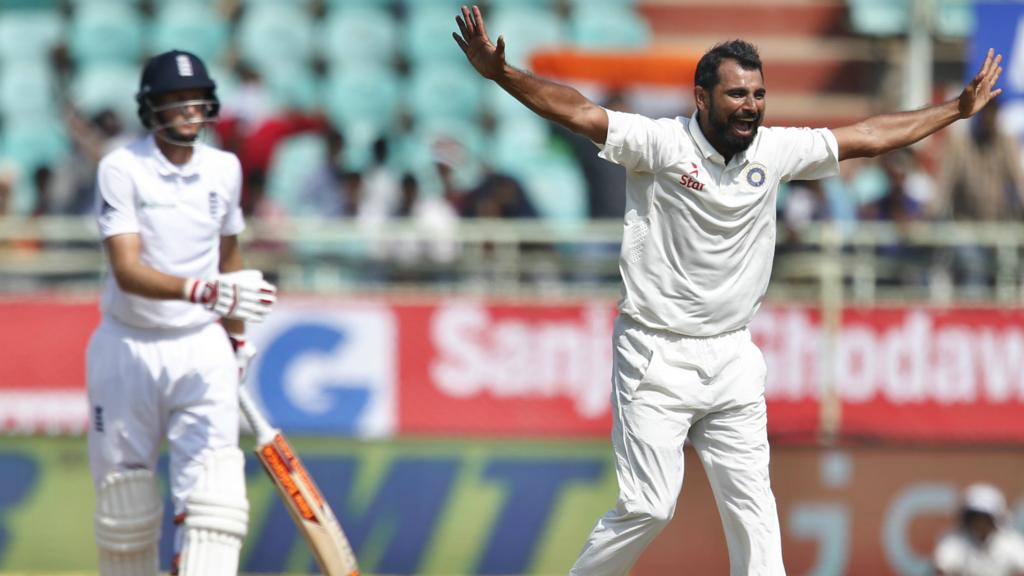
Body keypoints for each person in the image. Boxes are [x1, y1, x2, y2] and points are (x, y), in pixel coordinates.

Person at [452, 5, 1004, 574]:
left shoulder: (772, 151)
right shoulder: (661, 144)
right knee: (649, 505)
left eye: (759, 94)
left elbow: (865, 136)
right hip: (655, 352)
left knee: (754, 513)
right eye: (737, 94)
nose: (751, 106)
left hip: (733, 356)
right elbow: (583, 113)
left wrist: (955, 111)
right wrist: (504, 75)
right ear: (701, 98)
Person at [86, 50, 277, 576]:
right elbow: (127, 269)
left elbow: (230, 258)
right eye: (177, 102)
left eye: (197, 101)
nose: (191, 112)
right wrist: (207, 295)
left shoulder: (225, 168)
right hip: (128, 344)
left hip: (201, 345)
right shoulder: (121, 168)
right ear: (152, 108)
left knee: (216, 502)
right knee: (126, 507)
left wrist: (236, 339)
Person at [933, 483, 1024, 576]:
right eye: (975, 516)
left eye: (985, 517)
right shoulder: (952, 540)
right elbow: (942, 570)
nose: (980, 521)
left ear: (995, 518)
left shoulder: (1012, 542)